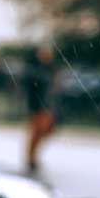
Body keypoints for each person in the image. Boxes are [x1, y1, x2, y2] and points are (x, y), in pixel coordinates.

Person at [23, 42, 59, 173]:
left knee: (45, 131)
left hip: (47, 106)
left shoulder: (50, 69)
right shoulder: (35, 70)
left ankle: (32, 157)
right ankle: (31, 158)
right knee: (37, 132)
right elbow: (32, 89)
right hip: (38, 106)